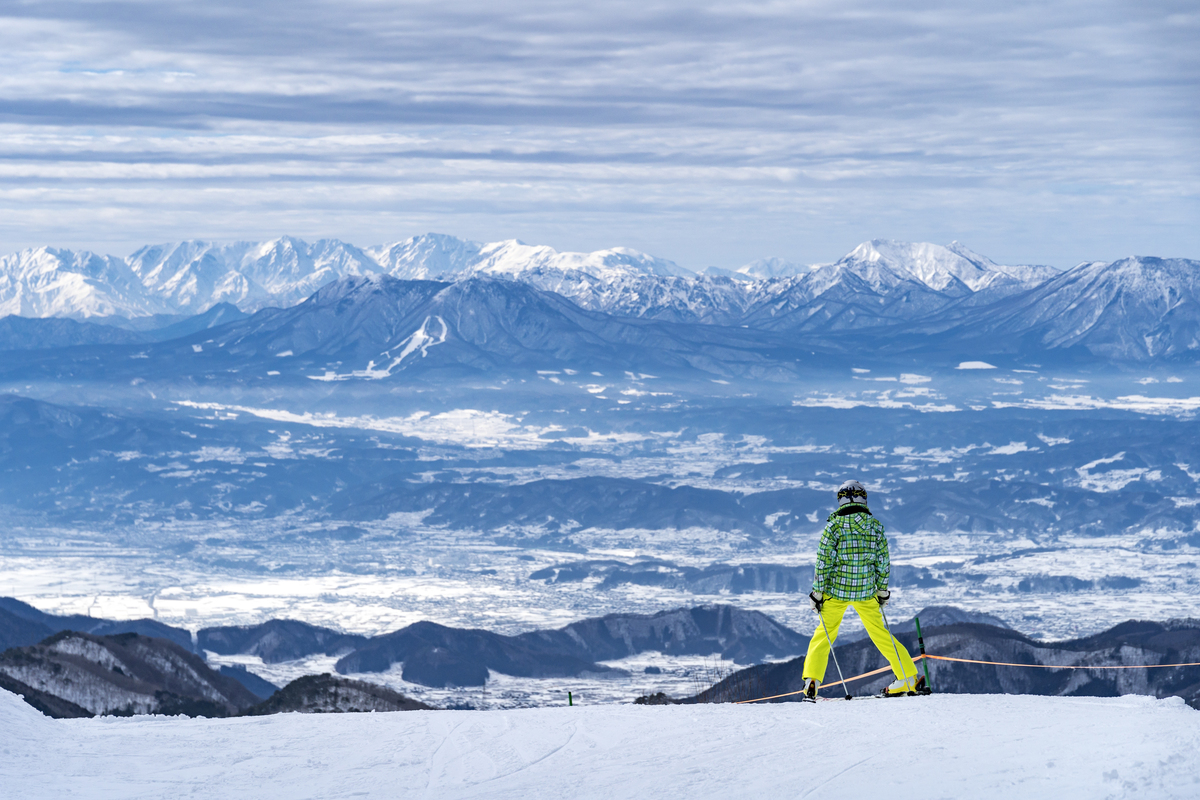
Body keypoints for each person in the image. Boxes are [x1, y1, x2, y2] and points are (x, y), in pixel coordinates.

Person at [800, 480, 925, 699]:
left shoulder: (833, 527)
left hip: (835, 591)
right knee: (880, 634)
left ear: (840, 500)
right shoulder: (875, 526)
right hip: (866, 591)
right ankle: (907, 677)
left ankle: (812, 681)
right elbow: (883, 562)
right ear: (863, 499)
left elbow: (822, 562)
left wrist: (817, 592)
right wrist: (882, 590)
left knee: (823, 635)